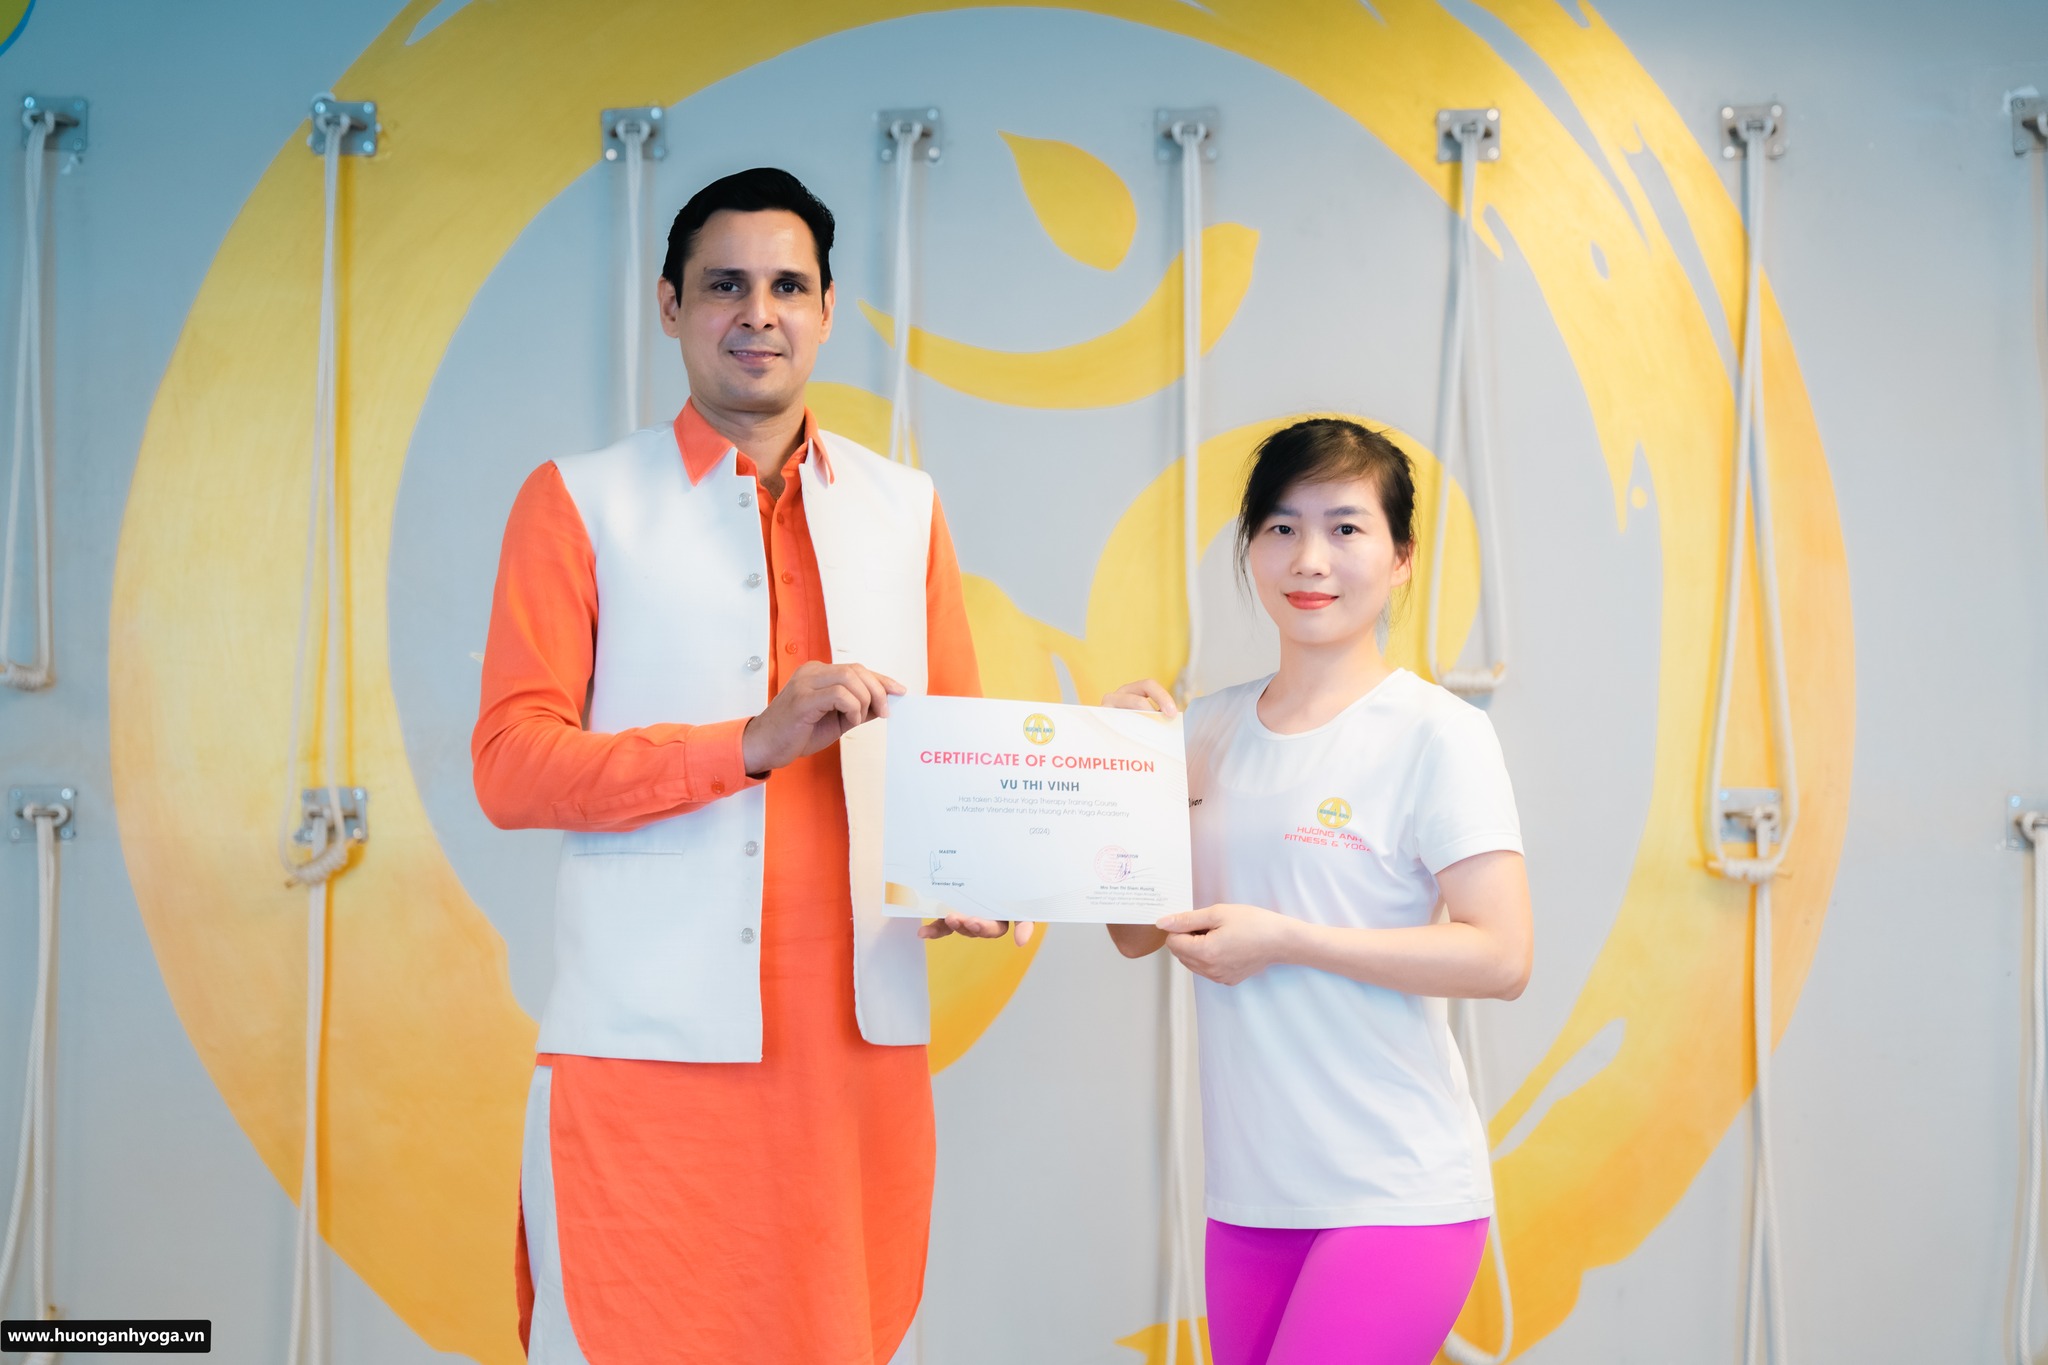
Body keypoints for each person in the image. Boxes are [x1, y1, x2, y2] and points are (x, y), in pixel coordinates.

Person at [472, 166, 1022, 1365]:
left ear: (826, 311)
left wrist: (976, 872)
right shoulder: (579, 501)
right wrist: (746, 746)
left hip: (856, 1051)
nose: (757, 313)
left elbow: (956, 754)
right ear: (669, 305)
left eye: (786, 286)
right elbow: (512, 768)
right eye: (724, 285)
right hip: (645, 1044)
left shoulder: (904, 507)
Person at [1104, 418, 1533, 1365]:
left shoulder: (1437, 734)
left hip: (1396, 1191)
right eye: (1282, 527)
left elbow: (1502, 955)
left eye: (1345, 527)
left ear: (1401, 556)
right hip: (1251, 1196)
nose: (1310, 558)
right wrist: (1119, 775)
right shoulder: (1203, 730)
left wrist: (1289, 939)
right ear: (1251, 547)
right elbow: (1134, 932)